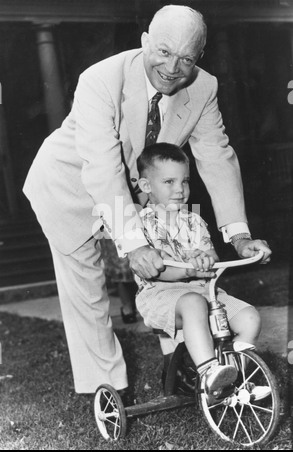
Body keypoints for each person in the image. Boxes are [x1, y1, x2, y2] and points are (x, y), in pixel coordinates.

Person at [23, 5, 271, 396]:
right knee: (89, 290)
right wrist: (134, 243)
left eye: (187, 58)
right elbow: (103, 168)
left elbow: (216, 155)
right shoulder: (101, 79)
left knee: (175, 269)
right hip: (71, 187)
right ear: (144, 43)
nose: (173, 67)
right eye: (164, 52)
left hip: (139, 190)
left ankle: (191, 370)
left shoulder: (204, 87)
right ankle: (107, 388)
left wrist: (239, 235)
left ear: (199, 57)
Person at [135, 142, 270, 401]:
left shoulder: (194, 220)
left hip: (203, 290)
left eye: (184, 181)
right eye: (169, 182)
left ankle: (234, 380)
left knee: (249, 318)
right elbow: (157, 272)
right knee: (194, 304)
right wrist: (190, 271)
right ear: (146, 186)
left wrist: (205, 260)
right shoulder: (139, 225)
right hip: (160, 295)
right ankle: (209, 374)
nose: (179, 190)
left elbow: (211, 257)